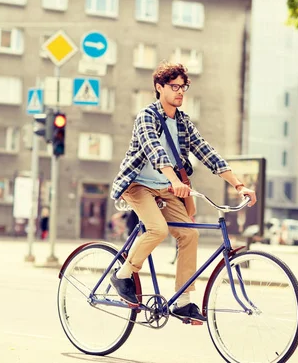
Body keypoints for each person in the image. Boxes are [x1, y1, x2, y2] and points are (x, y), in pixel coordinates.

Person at [110, 62, 257, 323]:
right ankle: (123, 275)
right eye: (174, 86)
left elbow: (207, 153)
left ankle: (182, 300)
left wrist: (238, 184)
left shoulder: (183, 122)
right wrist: (173, 180)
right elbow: (156, 151)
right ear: (159, 87)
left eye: (183, 87)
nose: (180, 92)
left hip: (166, 188)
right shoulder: (147, 116)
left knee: (190, 234)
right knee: (157, 229)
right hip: (137, 185)